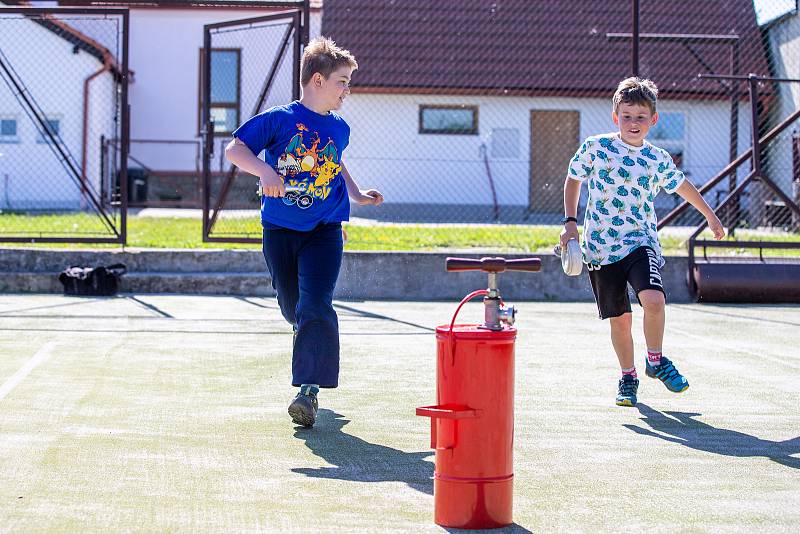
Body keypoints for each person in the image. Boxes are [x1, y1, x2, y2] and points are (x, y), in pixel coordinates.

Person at [225, 37, 383, 427]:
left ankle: (308, 391)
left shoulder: (340, 128)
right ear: (317, 80)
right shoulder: (280, 119)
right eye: (342, 82)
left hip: (325, 229)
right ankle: (303, 332)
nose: (347, 90)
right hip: (279, 229)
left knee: (316, 305)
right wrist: (265, 171)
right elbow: (235, 149)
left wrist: (357, 194)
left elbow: (335, 163)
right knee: (292, 307)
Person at [560, 77, 725, 407]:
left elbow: (681, 186)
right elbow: (573, 180)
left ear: (654, 120)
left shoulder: (657, 158)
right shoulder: (596, 148)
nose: (633, 123)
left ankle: (656, 360)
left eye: (640, 116)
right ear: (615, 117)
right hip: (600, 249)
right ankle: (628, 376)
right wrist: (570, 225)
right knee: (620, 320)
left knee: (653, 300)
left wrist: (710, 215)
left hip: (640, 241)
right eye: (627, 116)